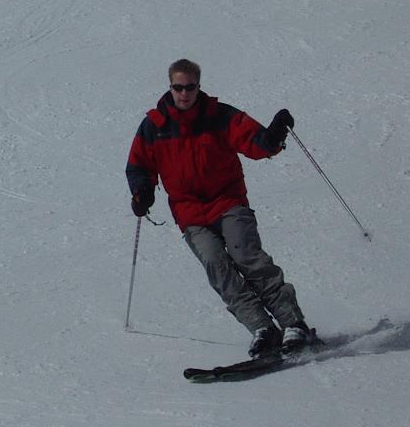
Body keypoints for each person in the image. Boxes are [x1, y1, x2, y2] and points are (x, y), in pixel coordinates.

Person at [125, 58, 313, 357]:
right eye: (178, 87)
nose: (184, 93)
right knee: (216, 263)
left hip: (228, 201)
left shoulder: (219, 116)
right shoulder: (155, 126)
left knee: (246, 255)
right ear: (170, 87)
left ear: (199, 86)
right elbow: (138, 166)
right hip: (190, 213)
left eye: (190, 87)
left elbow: (253, 140)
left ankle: (293, 323)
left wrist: (272, 136)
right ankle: (261, 327)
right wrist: (141, 192)